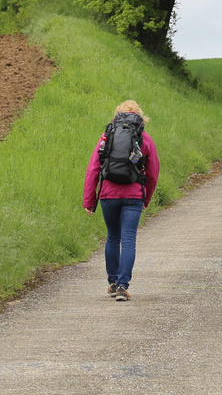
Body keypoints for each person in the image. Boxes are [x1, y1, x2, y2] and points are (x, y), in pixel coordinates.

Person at [82, 99, 160, 301]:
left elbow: (94, 168)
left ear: (117, 115)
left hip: (109, 194)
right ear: (140, 117)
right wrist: (146, 197)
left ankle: (113, 282)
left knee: (113, 237)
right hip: (133, 195)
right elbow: (152, 172)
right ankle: (123, 287)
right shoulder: (145, 138)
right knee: (128, 240)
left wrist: (90, 200)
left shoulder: (107, 136)